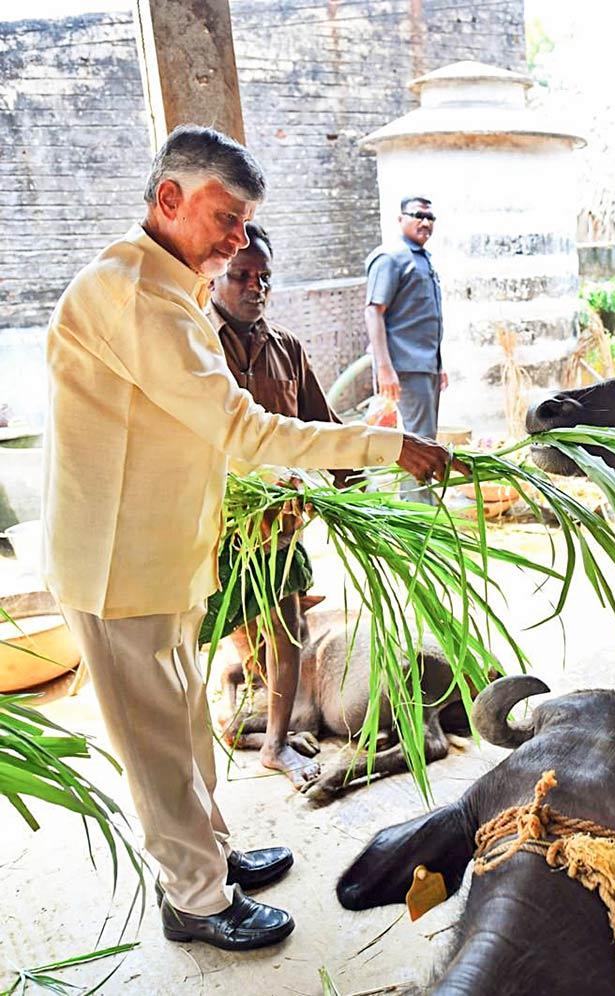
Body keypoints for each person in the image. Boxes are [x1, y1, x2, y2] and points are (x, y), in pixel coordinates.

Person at [42, 125, 463, 952]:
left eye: (245, 223)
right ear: (169, 199)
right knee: (158, 747)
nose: (239, 238)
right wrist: (385, 445)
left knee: (189, 724)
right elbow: (237, 426)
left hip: (160, 558)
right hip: (113, 567)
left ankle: (215, 858)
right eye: (226, 218)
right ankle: (196, 902)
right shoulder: (130, 296)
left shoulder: (171, 288)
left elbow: (190, 432)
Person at [209, 220, 342, 791]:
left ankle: (275, 742)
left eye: (263, 277)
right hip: (209, 528)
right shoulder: (193, 343)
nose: (253, 286)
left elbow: (321, 427)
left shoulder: (288, 349)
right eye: (241, 275)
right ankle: (196, 759)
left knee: (288, 632)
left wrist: (358, 484)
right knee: (199, 638)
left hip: (278, 526)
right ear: (215, 277)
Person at [364, 196, 447, 500]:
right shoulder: (391, 257)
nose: (425, 222)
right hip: (404, 370)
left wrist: (439, 366)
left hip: (426, 367)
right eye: (417, 215)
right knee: (417, 447)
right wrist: (385, 368)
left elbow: (425, 320)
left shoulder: (422, 258)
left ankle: (420, 507)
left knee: (425, 440)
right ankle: (418, 516)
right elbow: (374, 311)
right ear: (400, 219)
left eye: (430, 217)